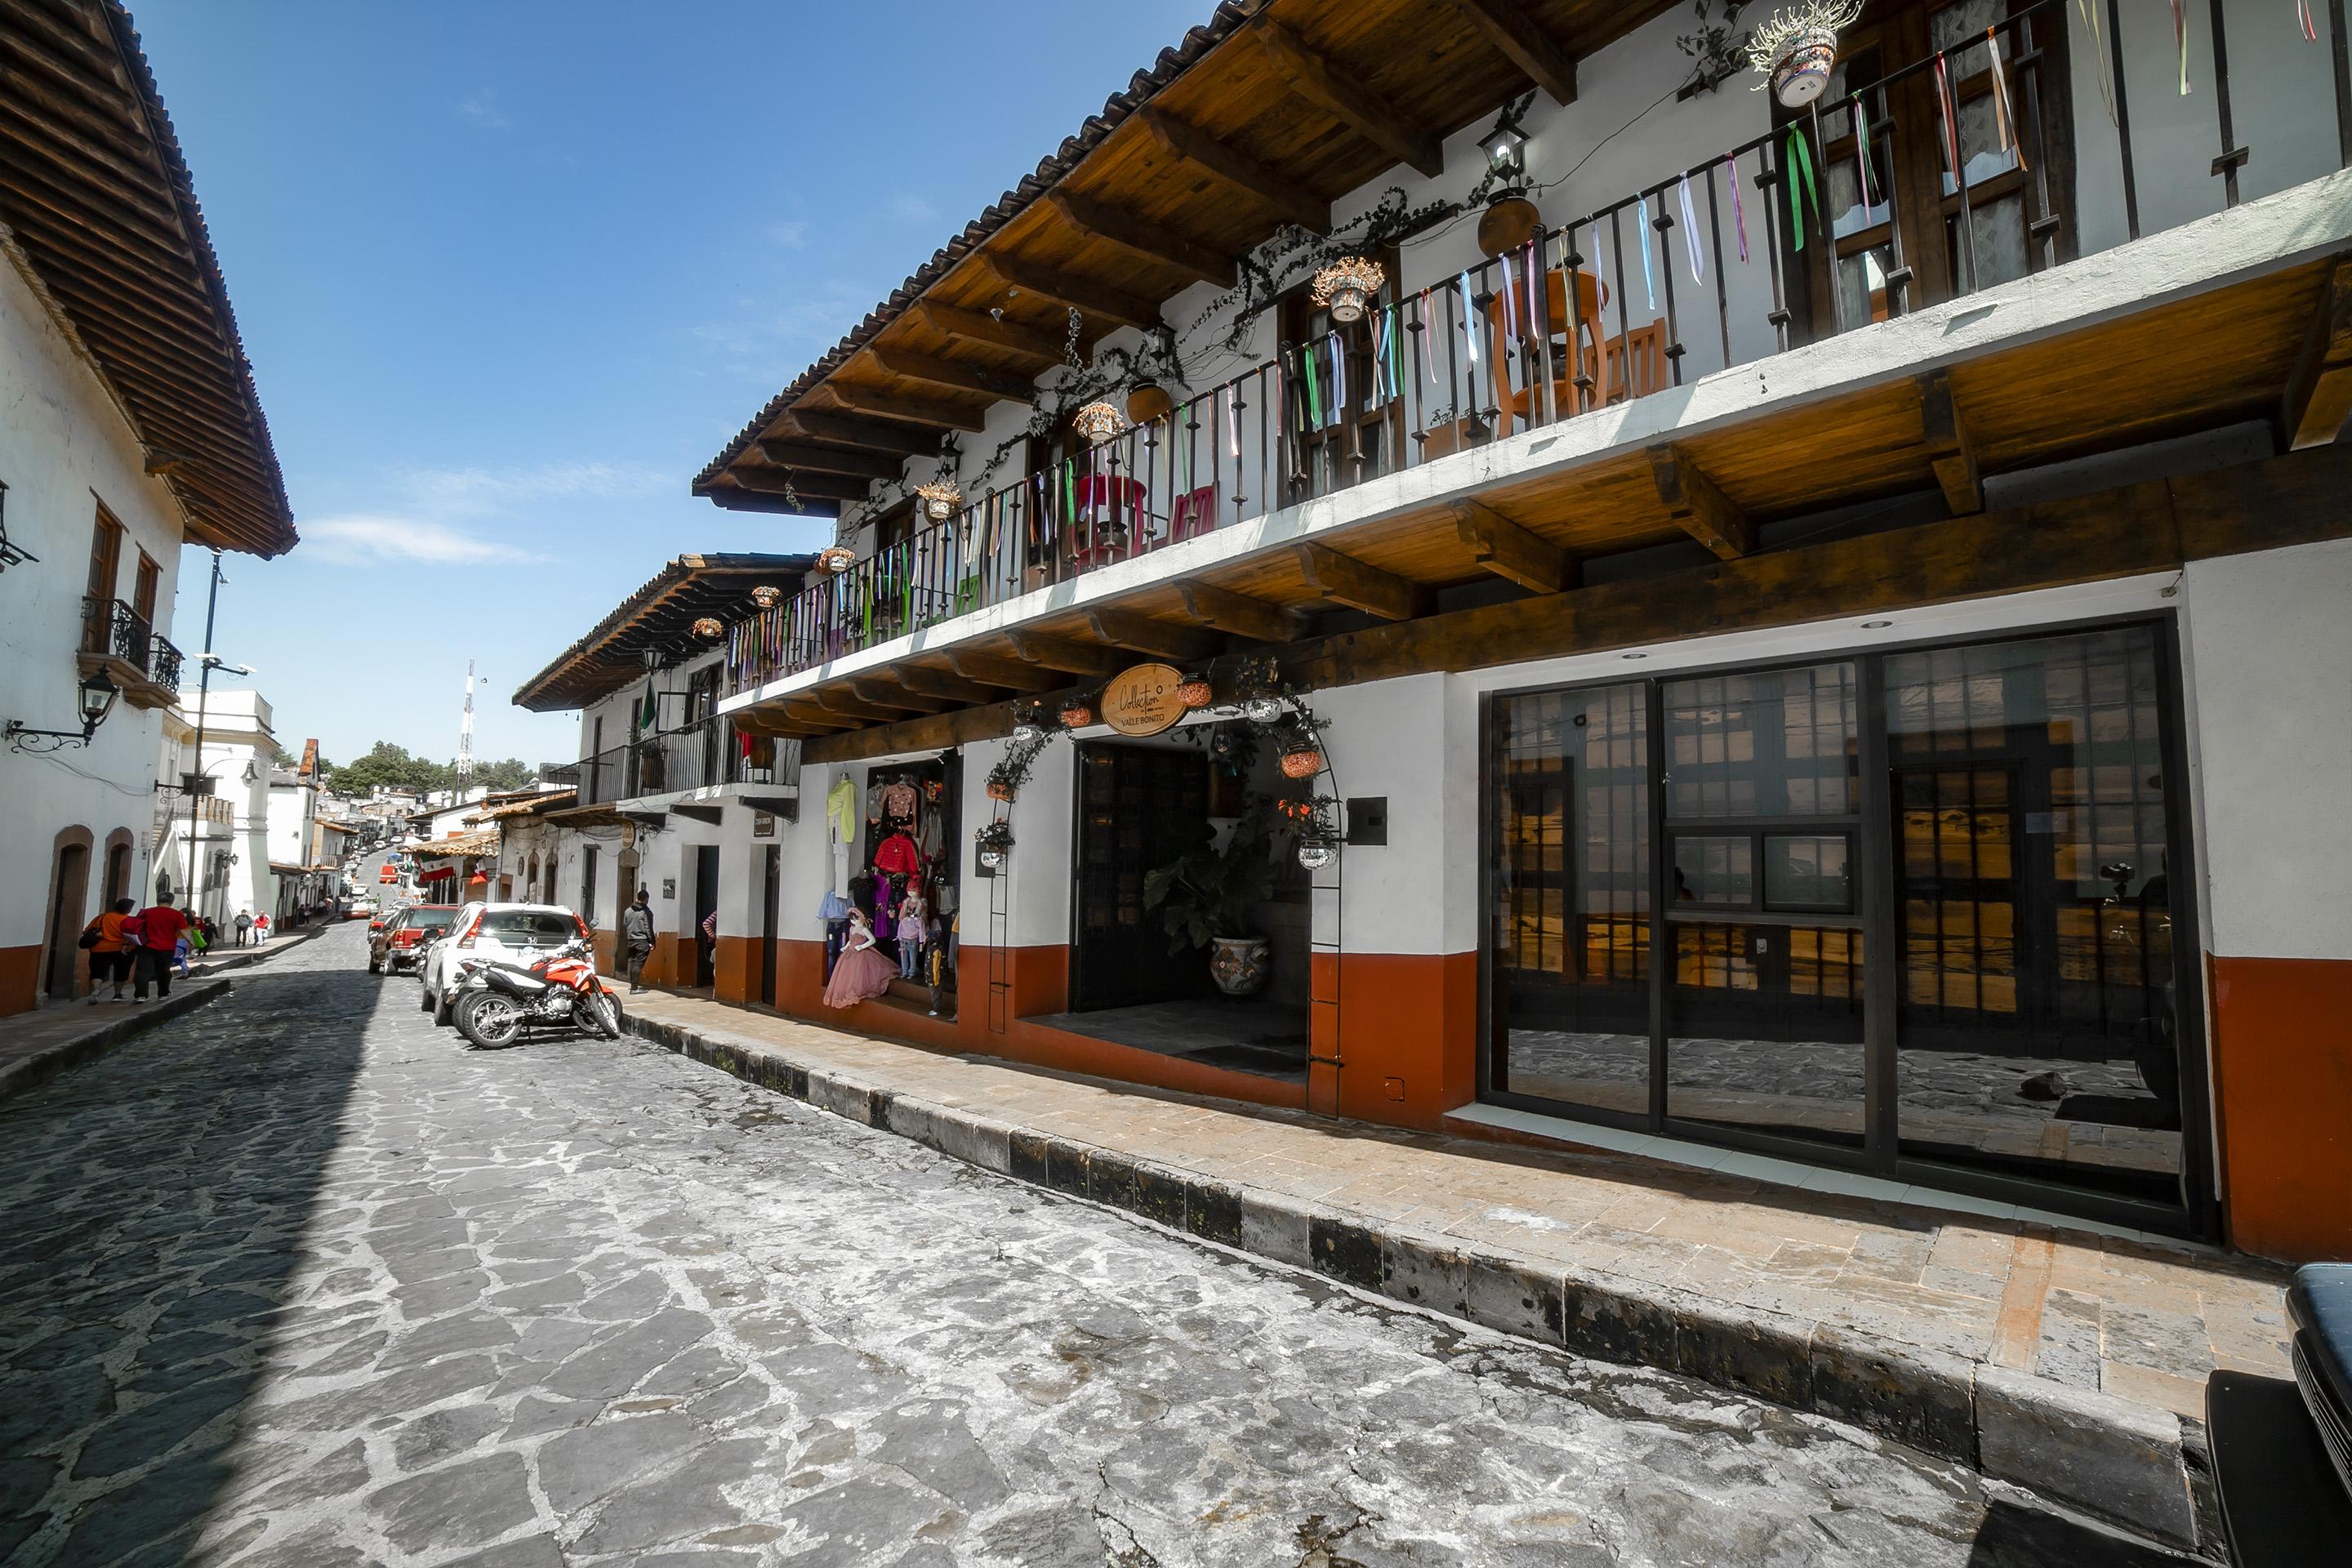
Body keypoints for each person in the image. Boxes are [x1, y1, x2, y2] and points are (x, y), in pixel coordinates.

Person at [822, 908, 896, 1009]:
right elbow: (850, 940)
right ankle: (849, 992)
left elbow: (872, 940)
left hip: (862, 953)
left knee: (860, 973)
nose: (854, 921)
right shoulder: (852, 929)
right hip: (850, 953)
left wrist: (862, 946)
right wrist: (846, 947)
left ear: (862, 918)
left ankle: (859, 990)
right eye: (852, 919)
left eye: (856, 919)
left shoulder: (864, 929)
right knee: (849, 973)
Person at [131, 893, 188, 1003]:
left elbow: (135, 928)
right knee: (164, 971)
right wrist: (191, 941)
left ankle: (140, 995)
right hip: (167, 947)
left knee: (142, 971)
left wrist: (128, 944)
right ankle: (164, 992)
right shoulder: (177, 914)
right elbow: (183, 930)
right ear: (171, 901)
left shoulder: (146, 912)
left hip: (146, 946)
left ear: (158, 900)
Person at [83, 898, 137, 1004]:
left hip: (100, 949)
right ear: (129, 909)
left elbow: (87, 931)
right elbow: (132, 937)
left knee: (97, 972)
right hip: (121, 950)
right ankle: (117, 994)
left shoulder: (102, 917)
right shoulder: (129, 921)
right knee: (121, 972)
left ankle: (95, 990)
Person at [619, 890, 655, 995]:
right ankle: (634, 988)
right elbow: (648, 928)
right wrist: (652, 941)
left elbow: (625, 924)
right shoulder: (646, 912)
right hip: (642, 941)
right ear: (646, 899)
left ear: (637, 898)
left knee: (634, 963)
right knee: (638, 964)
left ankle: (633, 985)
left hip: (631, 940)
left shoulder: (628, 911)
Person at [894, 886, 928, 980]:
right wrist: (899, 937)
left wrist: (922, 941)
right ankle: (904, 971)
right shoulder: (906, 903)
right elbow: (900, 927)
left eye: (914, 890)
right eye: (910, 890)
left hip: (914, 937)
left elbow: (922, 929)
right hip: (904, 938)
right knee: (904, 956)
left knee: (913, 957)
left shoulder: (922, 904)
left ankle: (911, 972)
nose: (912, 892)